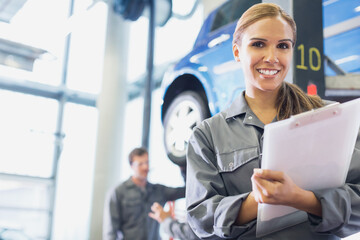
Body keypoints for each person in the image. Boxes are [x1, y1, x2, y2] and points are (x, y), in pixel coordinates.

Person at [185, 3, 360, 240]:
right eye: (258, 44)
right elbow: (201, 219)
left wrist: (302, 199)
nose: (272, 57)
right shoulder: (207, 135)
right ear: (237, 52)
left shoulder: (329, 118)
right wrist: (258, 199)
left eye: (283, 46)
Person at [103, 147, 185, 240]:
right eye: (140, 164)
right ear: (131, 166)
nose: (145, 167)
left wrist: (183, 167)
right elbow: (110, 231)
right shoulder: (118, 192)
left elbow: (185, 191)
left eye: (147, 162)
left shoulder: (159, 190)